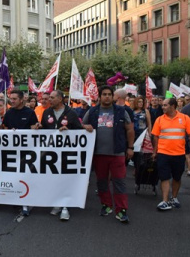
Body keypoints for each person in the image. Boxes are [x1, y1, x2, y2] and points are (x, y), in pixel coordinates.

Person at [83, 85, 134, 223]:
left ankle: (121, 210)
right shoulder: (92, 111)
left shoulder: (121, 111)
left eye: (109, 94)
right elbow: (81, 125)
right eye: (104, 94)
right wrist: (84, 126)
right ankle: (106, 205)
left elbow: (130, 130)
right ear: (100, 96)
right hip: (99, 154)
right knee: (102, 181)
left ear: (113, 97)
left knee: (119, 182)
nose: (106, 96)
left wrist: (130, 147)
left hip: (117, 153)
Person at [40, 90, 85, 221]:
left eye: (52, 98)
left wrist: (69, 131)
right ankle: (57, 203)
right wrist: (38, 127)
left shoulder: (71, 113)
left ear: (60, 99)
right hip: (51, 153)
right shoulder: (46, 112)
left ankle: (66, 207)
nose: (49, 100)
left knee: (65, 178)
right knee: (53, 179)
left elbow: (78, 131)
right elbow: (44, 130)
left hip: (66, 153)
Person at [152, 98, 190, 211]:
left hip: (179, 154)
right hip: (163, 153)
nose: (163, 107)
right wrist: (155, 151)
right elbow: (155, 136)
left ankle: (174, 198)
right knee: (164, 177)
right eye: (163, 105)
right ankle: (165, 200)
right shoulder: (159, 119)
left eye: (165, 105)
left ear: (172, 106)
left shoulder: (185, 118)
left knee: (177, 177)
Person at [3, 90, 38, 216]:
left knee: (25, 175)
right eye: (10, 98)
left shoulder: (30, 113)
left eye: (14, 99)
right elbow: (5, 128)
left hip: (26, 151)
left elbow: (34, 129)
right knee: (13, 175)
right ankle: (14, 197)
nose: (11, 101)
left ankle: (25, 201)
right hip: (11, 151)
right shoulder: (9, 113)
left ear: (22, 99)